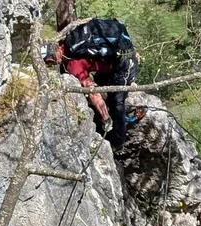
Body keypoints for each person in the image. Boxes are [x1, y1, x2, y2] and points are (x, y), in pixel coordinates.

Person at [46, 17, 142, 152]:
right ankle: (125, 116)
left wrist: (105, 118)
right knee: (108, 92)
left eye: (50, 61)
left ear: (55, 54)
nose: (51, 65)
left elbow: (92, 91)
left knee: (117, 103)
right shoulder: (71, 41)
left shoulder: (72, 64)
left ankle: (118, 141)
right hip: (115, 62)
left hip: (123, 64)